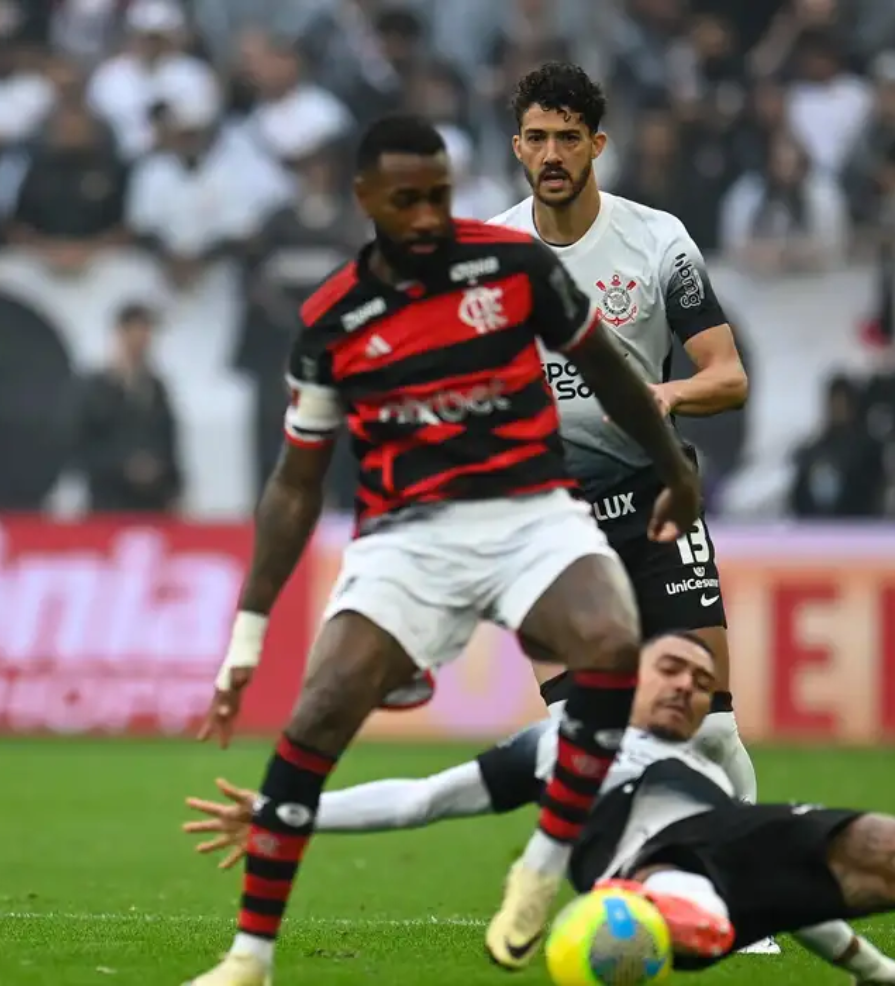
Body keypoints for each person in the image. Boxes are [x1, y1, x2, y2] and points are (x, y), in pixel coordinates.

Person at [183, 114, 702, 986]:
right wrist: (248, 632)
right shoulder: (331, 319)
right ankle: (250, 958)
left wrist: (672, 469)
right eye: (406, 200)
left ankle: (541, 868)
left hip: (532, 514)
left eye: (439, 196)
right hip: (408, 541)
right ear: (366, 200)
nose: (427, 217)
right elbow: (295, 482)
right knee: (312, 720)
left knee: (611, 643)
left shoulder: (514, 269)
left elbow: (612, 373)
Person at [180, 632, 895, 986]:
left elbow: (798, 904)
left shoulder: (713, 762)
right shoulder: (556, 743)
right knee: (683, 888)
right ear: (631, 677)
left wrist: (879, 974)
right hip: (653, 871)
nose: (687, 686)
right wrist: (287, 815)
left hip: (729, 851)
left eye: (701, 679)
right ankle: (636, 924)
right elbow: (422, 801)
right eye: (671, 669)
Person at [486, 62, 758, 810]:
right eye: (536, 138)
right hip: (549, 524)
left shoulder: (658, 241)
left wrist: (666, 393)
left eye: (567, 138)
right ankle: (634, 885)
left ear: (596, 144)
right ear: (516, 148)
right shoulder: (490, 257)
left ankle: (743, 893)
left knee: (709, 731)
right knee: (585, 734)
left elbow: (728, 376)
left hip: (656, 506)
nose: (552, 155)